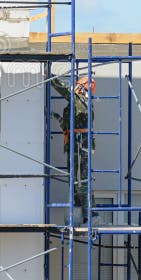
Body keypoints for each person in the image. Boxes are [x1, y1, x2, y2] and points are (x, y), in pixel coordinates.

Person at [52, 75, 96, 214]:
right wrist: (56, 116)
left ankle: (89, 210)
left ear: (83, 88)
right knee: (74, 176)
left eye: (78, 86)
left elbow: (65, 91)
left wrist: (50, 77)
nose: (75, 88)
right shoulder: (78, 103)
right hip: (76, 143)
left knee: (81, 178)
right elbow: (67, 125)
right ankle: (79, 206)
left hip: (80, 144)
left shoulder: (82, 101)